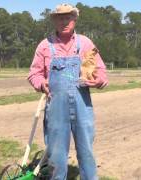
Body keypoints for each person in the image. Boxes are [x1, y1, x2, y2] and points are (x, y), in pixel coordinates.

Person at [27, 3, 108, 180]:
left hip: (82, 107)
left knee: (86, 151)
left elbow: (101, 71)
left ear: (74, 20)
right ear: (54, 21)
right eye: (60, 17)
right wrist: (41, 84)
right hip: (56, 109)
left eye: (68, 17)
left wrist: (99, 80)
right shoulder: (44, 46)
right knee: (56, 156)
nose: (64, 21)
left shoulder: (85, 43)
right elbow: (34, 74)